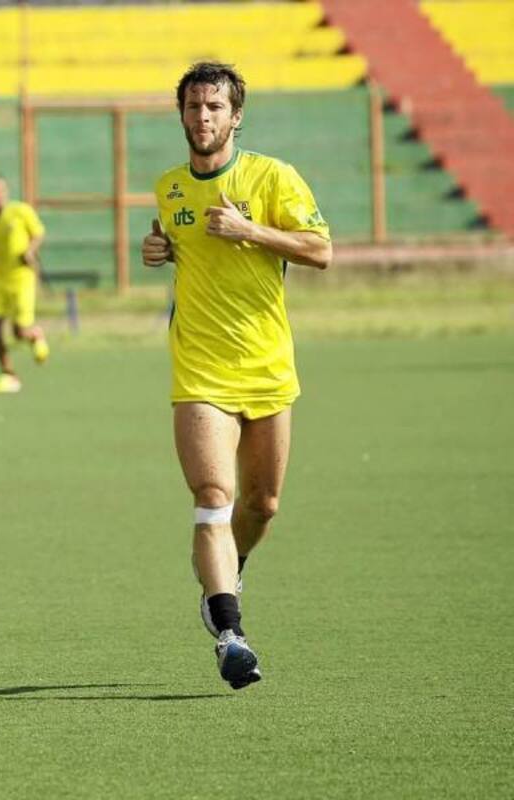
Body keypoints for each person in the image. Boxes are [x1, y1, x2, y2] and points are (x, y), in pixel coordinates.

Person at [142, 62, 332, 689]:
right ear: (183, 116)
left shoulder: (272, 177)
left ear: (236, 115)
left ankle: (232, 567)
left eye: (215, 108)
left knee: (263, 504)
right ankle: (230, 632)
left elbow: (321, 251)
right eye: (194, 107)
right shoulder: (168, 188)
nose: (203, 118)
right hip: (199, 372)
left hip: (270, 369)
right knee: (212, 498)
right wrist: (159, 251)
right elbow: (174, 242)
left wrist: (249, 229)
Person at [0, 174, 48, 394]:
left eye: (2, 190)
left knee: (19, 331)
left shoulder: (21, 211)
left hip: (22, 278)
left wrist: (30, 250)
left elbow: (38, 234)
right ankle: (8, 373)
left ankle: (36, 335)